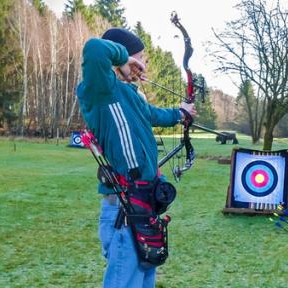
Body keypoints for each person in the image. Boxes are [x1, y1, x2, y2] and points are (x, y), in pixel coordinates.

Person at [77, 28, 196, 288]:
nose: (142, 66)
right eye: (139, 59)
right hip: (124, 206)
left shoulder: (129, 93)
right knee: (125, 281)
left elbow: (152, 115)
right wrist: (121, 58)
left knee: (144, 279)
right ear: (122, 59)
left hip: (145, 202)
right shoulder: (100, 90)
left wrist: (180, 113)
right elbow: (95, 49)